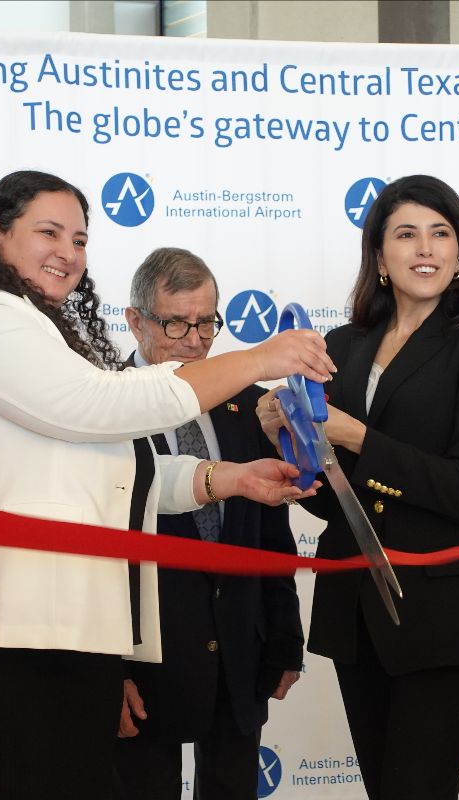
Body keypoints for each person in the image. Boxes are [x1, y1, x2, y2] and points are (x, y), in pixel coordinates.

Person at [0, 171, 332, 799]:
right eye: (48, 232)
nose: (67, 252)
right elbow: (94, 407)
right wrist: (260, 359)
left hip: (63, 630)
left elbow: (117, 469)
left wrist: (227, 478)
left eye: (79, 238)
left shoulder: (42, 330)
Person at [257, 174, 459, 799]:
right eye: (406, 234)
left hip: (443, 616)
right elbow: (330, 500)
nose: (424, 248)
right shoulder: (343, 345)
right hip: (355, 609)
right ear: (379, 256)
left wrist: (354, 436)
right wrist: (284, 442)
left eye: (440, 233)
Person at [114, 247, 303, 799]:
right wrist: (106, 675)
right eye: (176, 323)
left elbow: (272, 534)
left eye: (207, 322)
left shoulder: (248, 403)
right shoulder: (101, 406)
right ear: (135, 320)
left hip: (240, 653)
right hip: (145, 665)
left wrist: (285, 639)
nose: (196, 341)